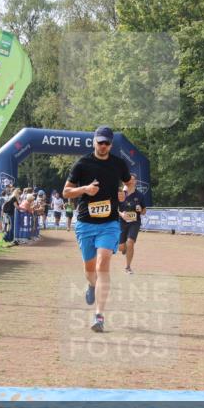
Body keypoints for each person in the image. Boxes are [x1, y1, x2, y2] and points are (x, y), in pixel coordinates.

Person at [63, 125, 133, 333]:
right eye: (100, 142)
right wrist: (85, 189)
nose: (103, 146)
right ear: (94, 142)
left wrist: (125, 192)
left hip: (109, 224)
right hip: (85, 223)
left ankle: (99, 316)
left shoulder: (118, 164)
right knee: (90, 270)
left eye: (107, 143)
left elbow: (131, 183)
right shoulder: (83, 164)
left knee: (104, 263)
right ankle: (91, 285)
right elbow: (66, 192)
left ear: (111, 144)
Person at [118, 181, 145, 274]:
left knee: (130, 242)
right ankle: (124, 247)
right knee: (121, 248)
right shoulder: (120, 193)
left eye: (132, 180)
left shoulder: (140, 195)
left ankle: (127, 267)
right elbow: (114, 208)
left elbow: (144, 211)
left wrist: (141, 210)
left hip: (135, 222)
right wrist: (121, 214)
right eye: (128, 181)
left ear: (135, 182)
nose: (130, 182)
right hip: (122, 222)